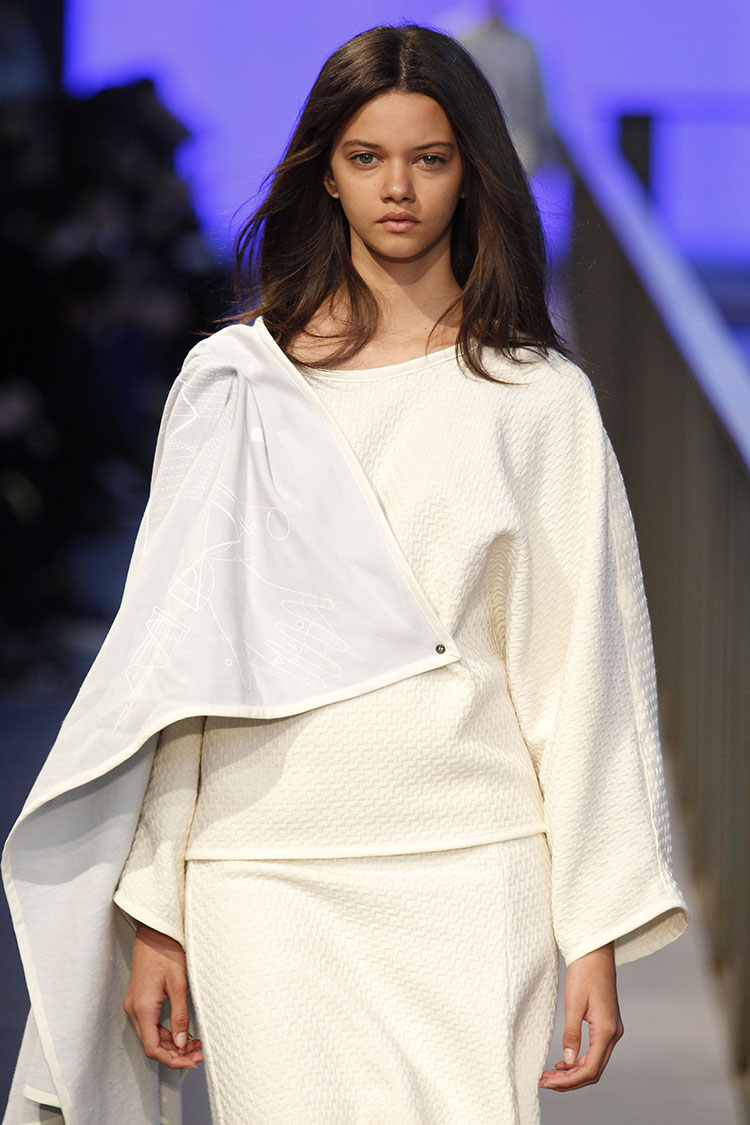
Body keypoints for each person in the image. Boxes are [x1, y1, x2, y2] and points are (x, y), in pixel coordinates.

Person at [3, 22, 688, 1125]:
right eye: (367, 158)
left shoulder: (539, 402)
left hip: (472, 864)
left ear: (472, 173)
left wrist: (596, 932)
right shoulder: (237, 386)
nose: (398, 189)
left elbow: (586, 678)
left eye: (430, 159)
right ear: (325, 171)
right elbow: (178, 666)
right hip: (262, 871)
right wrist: (158, 905)